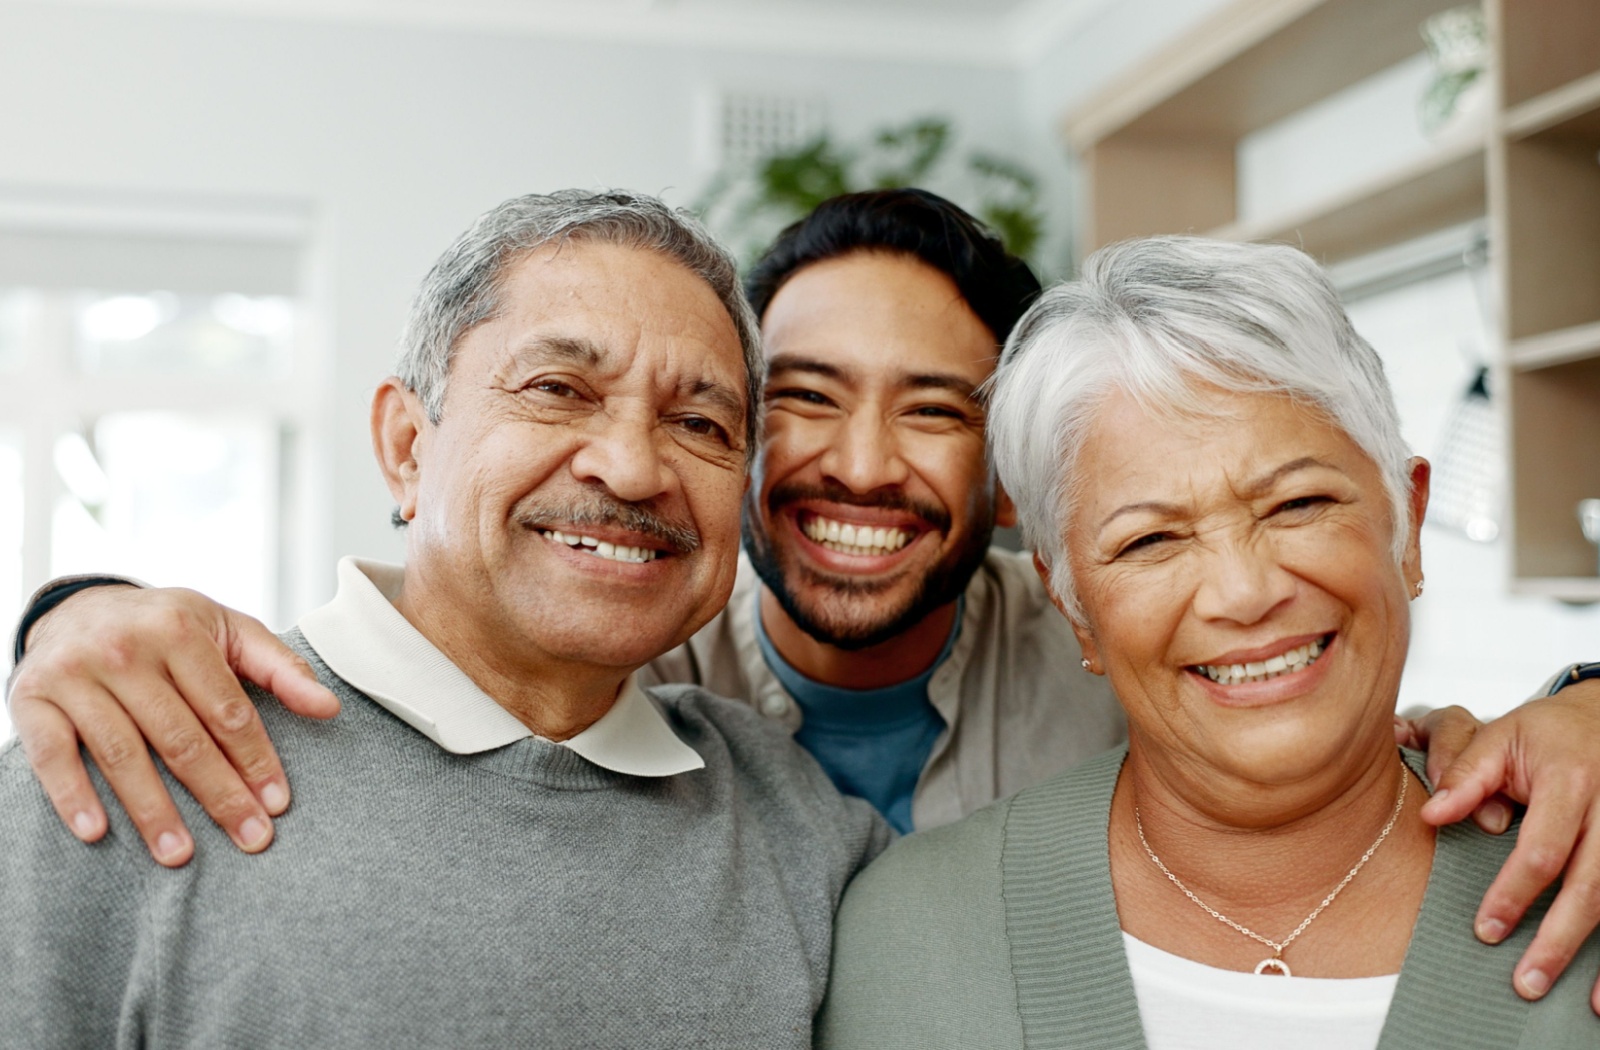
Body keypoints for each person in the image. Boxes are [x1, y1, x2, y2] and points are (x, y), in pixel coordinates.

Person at [8, 191, 1600, 993]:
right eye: (788, 402)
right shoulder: (622, 624)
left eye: (937, 408)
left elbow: (1316, 706)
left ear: (1022, 515)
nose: (857, 465)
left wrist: (1576, 708)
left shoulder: (1109, 637)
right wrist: (72, 603)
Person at [0, 190, 891, 1048]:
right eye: (558, 388)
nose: (630, 468)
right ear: (406, 447)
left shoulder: (798, 823)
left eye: (699, 421)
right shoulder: (129, 755)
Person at [817, 236, 1600, 1049]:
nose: (1244, 592)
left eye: (1296, 504)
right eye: (1150, 541)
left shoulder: (1586, 871)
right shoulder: (906, 940)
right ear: (1074, 604)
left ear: (1407, 527)